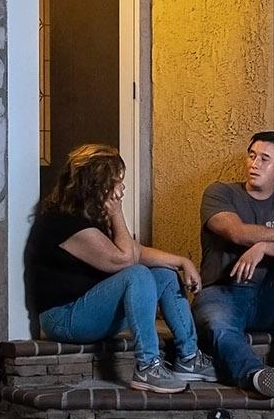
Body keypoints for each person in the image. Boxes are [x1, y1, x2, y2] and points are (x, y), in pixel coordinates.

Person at [24, 144, 217, 393]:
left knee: (165, 274)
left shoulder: (88, 217)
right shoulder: (62, 223)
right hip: (65, 319)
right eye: (116, 181)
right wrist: (117, 214)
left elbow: (134, 251)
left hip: (89, 309)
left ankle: (189, 358)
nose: (122, 188)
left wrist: (182, 261)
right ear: (96, 185)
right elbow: (125, 260)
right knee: (136, 274)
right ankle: (148, 366)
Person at [193, 131, 274, 399]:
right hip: (223, 293)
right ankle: (256, 375)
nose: (254, 164)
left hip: (268, 297)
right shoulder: (220, 192)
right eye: (252, 156)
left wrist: (263, 247)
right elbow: (237, 232)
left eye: (265, 159)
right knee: (220, 327)